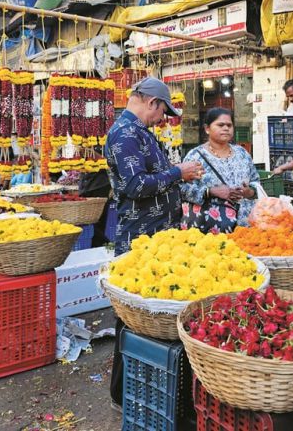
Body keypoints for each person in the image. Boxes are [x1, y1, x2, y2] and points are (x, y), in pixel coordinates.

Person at [104, 76, 203, 410]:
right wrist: (178, 173)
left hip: (157, 237)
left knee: (149, 317)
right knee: (131, 319)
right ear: (152, 103)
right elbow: (134, 185)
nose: (162, 119)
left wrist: (179, 178)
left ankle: (145, 390)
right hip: (139, 240)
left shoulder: (140, 132)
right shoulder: (125, 134)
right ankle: (121, 394)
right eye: (162, 111)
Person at [180, 108, 260, 233]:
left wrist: (249, 192)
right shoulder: (195, 156)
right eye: (220, 125)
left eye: (229, 125)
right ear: (207, 129)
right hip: (211, 229)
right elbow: (182, 189)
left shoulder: (242, 153)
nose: (226, 128)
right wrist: (210, 192)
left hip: (245, 227)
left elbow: (256, 182)